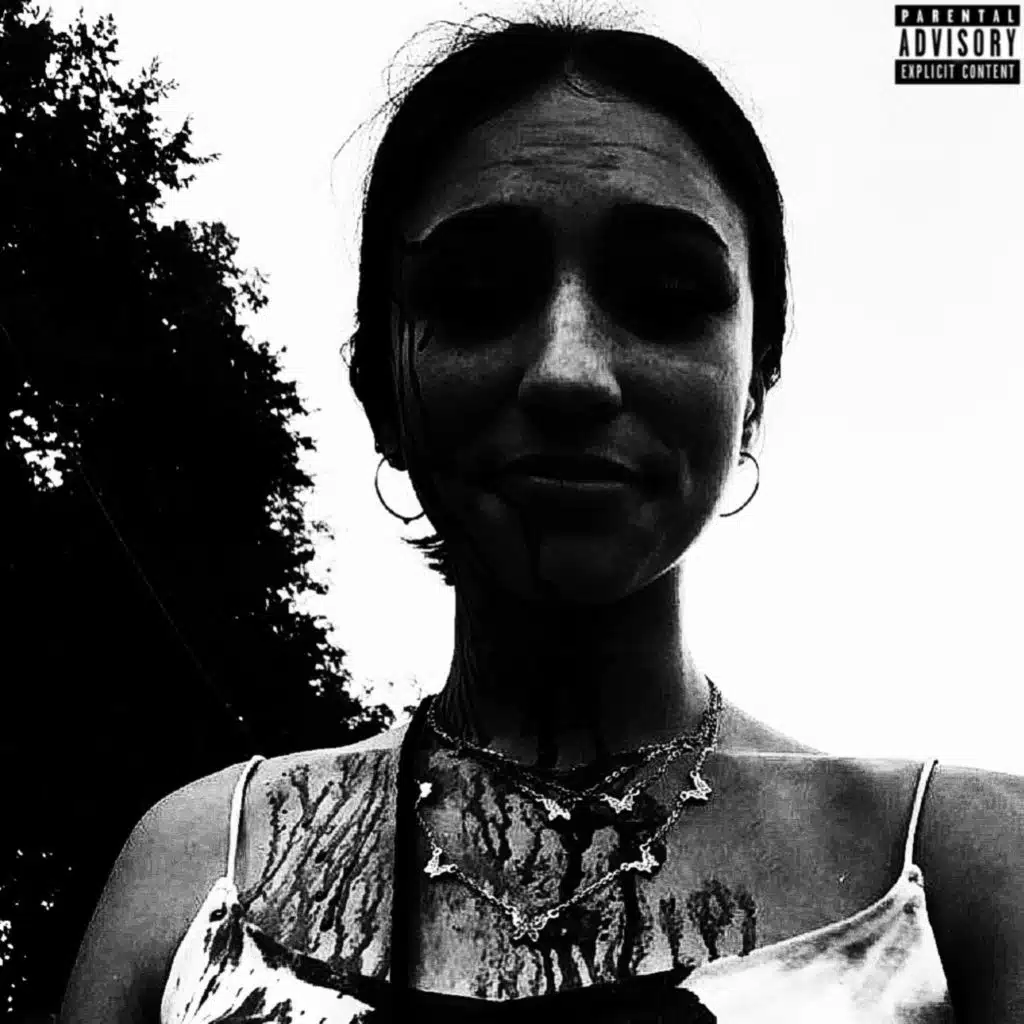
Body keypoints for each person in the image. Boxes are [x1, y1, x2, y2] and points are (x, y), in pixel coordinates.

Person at [61, 15, 1024, 1024]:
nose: (570, 371)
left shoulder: (954, 870)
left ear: (754, 391)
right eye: (477, 297)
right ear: (379, 389)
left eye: (665, 296)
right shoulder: (203, 870)